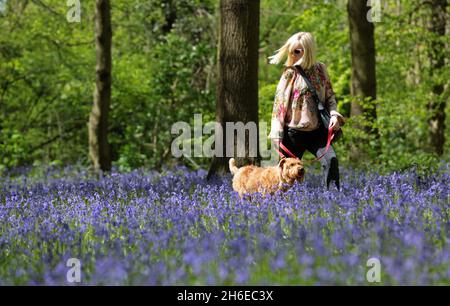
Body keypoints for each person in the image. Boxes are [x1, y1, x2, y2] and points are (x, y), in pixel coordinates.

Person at [268, 32, 345, 190]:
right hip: (293, 134)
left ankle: (333, 199)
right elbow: (279, 105)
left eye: (297, 51)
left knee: (331, 160)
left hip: (318, 132)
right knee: (286, 178)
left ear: (308, 51)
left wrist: (334, 115)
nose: (293, 55)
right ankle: (281, 209)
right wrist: (276, 133)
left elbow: (330, 97)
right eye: (291, 51)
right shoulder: (290, 73)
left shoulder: (321, 69)